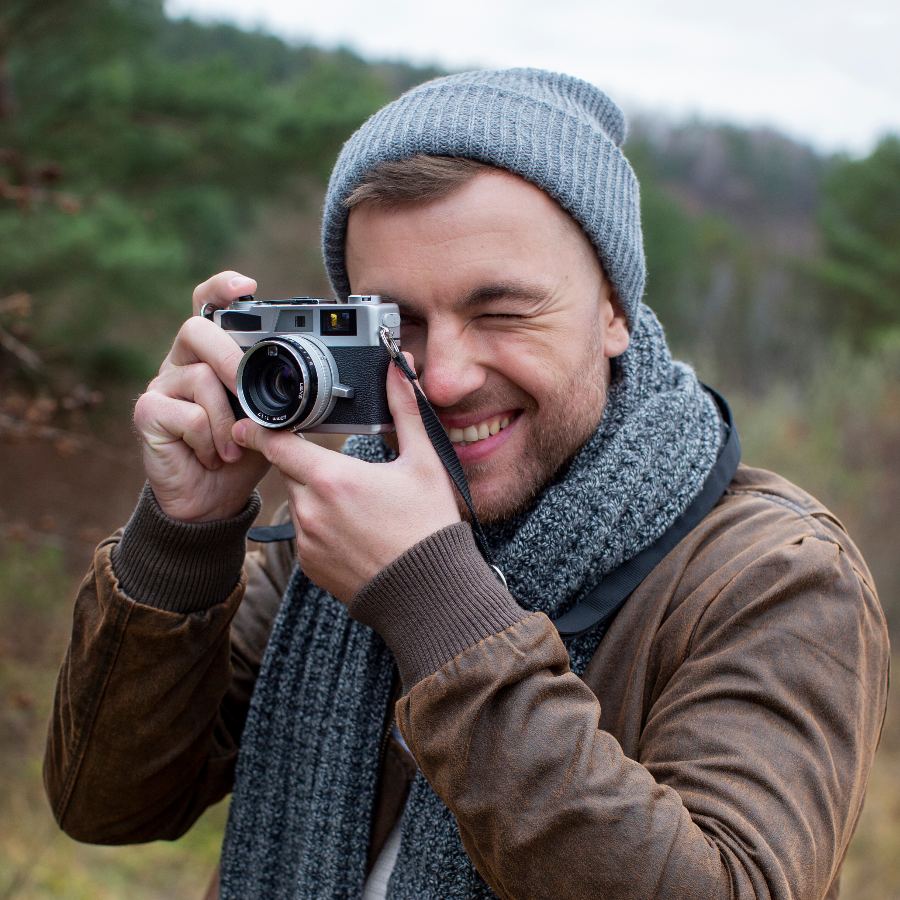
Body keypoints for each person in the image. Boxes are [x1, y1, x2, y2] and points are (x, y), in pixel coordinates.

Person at [45, 69, 889, 900]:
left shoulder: (778, 577)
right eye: (396, 323)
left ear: (613, 312)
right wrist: (186, 535)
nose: (444, 379)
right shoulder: (337, 526)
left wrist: (430, 600)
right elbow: (107, 803)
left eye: (502, 312)